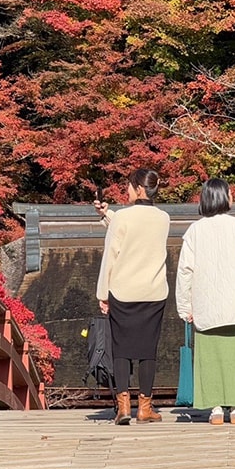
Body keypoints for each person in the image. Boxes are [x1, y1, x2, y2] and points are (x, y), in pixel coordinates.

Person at [175, 178, 235, 425]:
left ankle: (215, 409)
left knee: (209, 358)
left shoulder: (194, 231)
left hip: (205, 306)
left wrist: (185, 307)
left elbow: (185, 271)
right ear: (224, 197)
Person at [94, 168, 171, 425]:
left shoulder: (122, 219)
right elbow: (138, 229)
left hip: (123, 291)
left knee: (121, 350)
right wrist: (108, 215)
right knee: (148, 351)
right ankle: (145, 408)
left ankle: (123, 406)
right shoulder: (164, 218)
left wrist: (102, 293)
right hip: (153, 292)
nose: (126, 191)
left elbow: (112, 254)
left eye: (128, 186)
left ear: (139, 189)